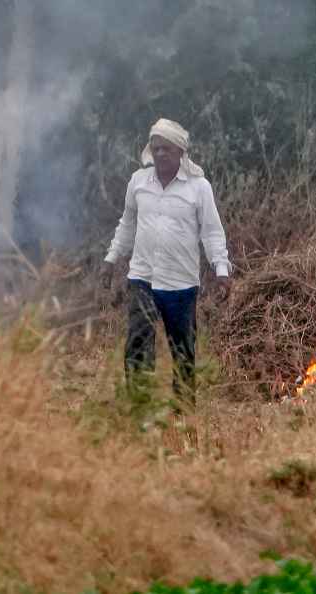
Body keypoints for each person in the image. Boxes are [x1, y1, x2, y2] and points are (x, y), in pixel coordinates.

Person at [100, 118, 231, 412]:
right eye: (155, 148)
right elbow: (127, 224)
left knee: (183, 350)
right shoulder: (138, 182)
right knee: (137, 343)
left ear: (180, 153)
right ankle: (139, 405)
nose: (160, 154)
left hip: (180, 283)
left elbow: (211, 231)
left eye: (166, 149)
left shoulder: (199, 188)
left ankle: (184, 412)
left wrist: (221, 270)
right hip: (142, 278)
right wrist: (111, 259)